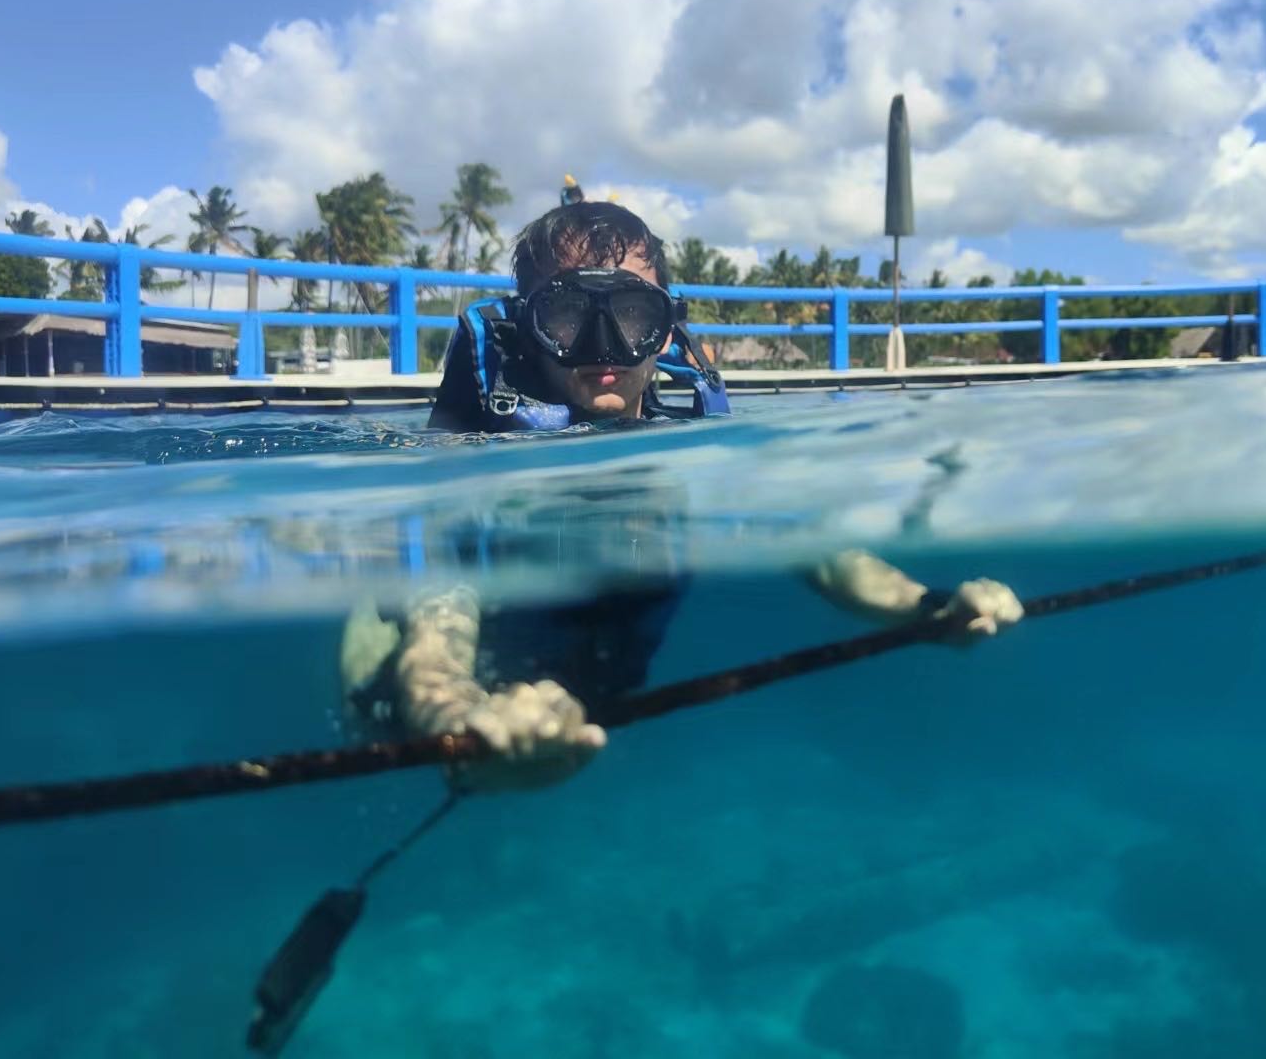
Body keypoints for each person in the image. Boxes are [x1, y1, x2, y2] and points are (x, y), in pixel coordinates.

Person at [342, 187, 1020, 790]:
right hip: (434, 708)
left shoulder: (699, 456)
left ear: (666, 326)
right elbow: (437, 623)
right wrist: (465, 720)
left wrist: (929, 608)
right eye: (569, 313)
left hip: (578, 701)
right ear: (526, 329)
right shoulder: (472, 472)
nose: (604, 346)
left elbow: (812, 547)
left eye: (631, 314)